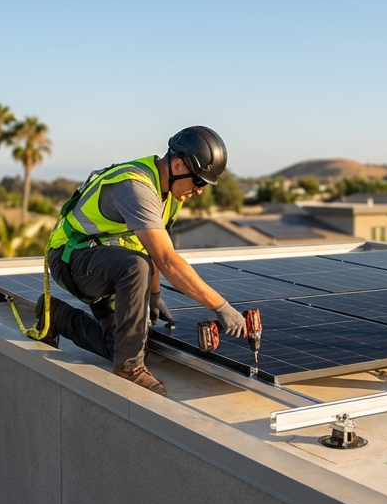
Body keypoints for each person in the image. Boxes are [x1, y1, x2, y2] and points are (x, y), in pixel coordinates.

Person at [31, 126, 247, 395]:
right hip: (71, 259)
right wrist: (221, 306)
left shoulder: (170, 193)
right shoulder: (136, 187)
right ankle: (129, 368)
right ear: (178, 165)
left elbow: (154, 248)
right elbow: (167, 260)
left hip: (107, 263)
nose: (200, 190)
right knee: (135, 268)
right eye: (198, 182)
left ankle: (56, 315)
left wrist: (154, 295)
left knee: (120, 344)